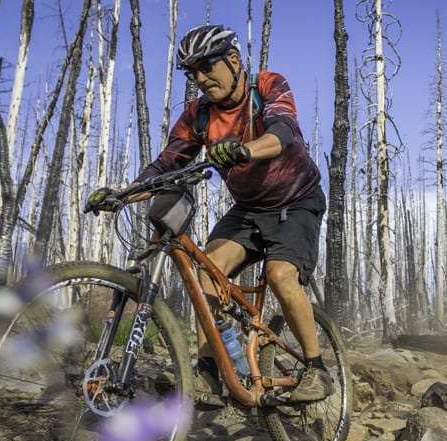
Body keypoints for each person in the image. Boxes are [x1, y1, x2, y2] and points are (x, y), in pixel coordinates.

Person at [105, 24, 330, 403]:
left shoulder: (267, 85)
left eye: (207, 66)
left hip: (296, 201)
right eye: (192, 72)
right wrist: (121, 195)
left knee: (278, 274)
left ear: (234, 60)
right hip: (248, 209)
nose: (201, 78)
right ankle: (209, 371)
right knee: (207, 272)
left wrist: (245, 150)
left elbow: (283, 131)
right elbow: (167, 163)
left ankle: (317, 369)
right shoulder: (199, 114)